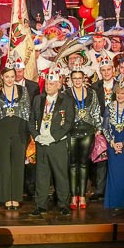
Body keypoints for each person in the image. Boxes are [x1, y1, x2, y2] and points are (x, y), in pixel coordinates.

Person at [30, 68, 73, 217]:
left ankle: (63, 204)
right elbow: (31, 120)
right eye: (47, 83)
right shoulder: (38, 99)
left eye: (51, 84)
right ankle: (40, 205)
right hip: (42, 143)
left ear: (58, 85)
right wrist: (36, 136)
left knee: (60, 175)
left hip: (57, 144)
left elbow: (68, 123)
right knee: (41, 175)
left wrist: (55, 137)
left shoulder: (66, 101)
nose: (48, 86)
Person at [0, 60, 31, 210]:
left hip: (19, 129)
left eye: (12, 76)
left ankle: (16, 197)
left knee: (18, 164)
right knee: (4, 165)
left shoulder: (23, 90)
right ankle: (6, 197)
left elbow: (27, 112)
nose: (10, 79)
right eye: (7, 76)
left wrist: (30, 133)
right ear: (2, 77)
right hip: (1, 130)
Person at [102, 79, 124, 213]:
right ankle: (114, 203)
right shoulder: (109, 107)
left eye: (122, 93)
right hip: (113, 145)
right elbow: (104, 127)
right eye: (117, 93)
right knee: (115, 175)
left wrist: (123, 143)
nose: (120, 96)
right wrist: (112, 142)